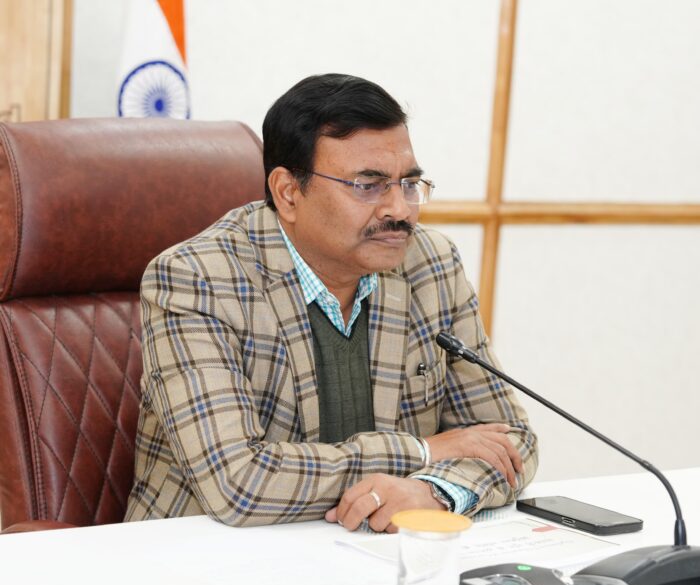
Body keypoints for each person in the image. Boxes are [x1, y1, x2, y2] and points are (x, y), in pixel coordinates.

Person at [125, 73, 538, 532]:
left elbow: (511, 441)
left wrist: (433, 491)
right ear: (288, 192)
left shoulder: (430, 264)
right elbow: (239, 484)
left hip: (369, 550)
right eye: (368, 185)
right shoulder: (197, 277)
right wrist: (422, 452)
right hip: (207, 555)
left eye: (408, 184)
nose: (400, 210)